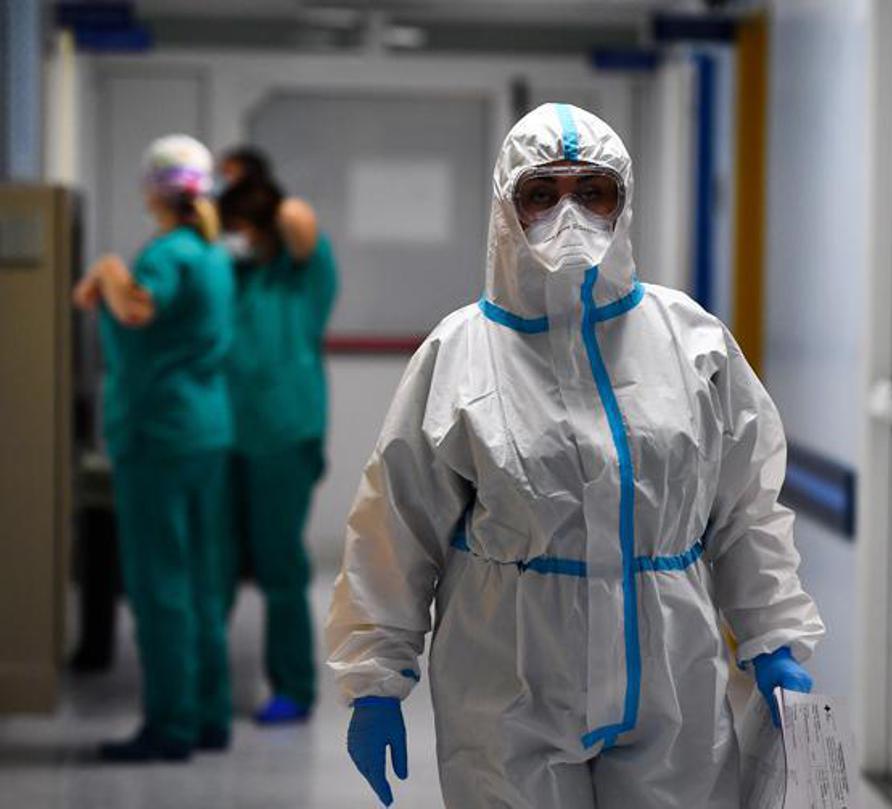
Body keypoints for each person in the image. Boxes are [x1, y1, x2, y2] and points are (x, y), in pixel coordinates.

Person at [326, 103, 825, 808]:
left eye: (593, 192)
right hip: (511, 682)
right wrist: (375, 678)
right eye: (542, 194)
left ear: (623, 200)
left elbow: (745, 508)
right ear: (507, 209)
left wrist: (773, 635)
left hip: (670, 676)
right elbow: (395, 527)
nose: (569, 215)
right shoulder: (460, 353)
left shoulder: (691, 341)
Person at [72, 134, 235, 762]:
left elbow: (137, 310)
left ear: (153, 191)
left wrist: (108, 272)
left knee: (160, 581)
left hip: (157, 435)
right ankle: (209, 717)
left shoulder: (168, 254)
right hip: (203, 431)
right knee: (200, 579)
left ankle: (171, 725)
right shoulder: (212, 254)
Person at [217, 173, 338, 724]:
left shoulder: (300, 273)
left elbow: (298, 221)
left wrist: (257, 194)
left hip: (284, 437)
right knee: (214, 567)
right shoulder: (233, 275)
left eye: (243, 227)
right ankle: (203, 689)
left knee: (279, 564)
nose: (236, 237)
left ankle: (292, 686)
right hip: (226, 438)